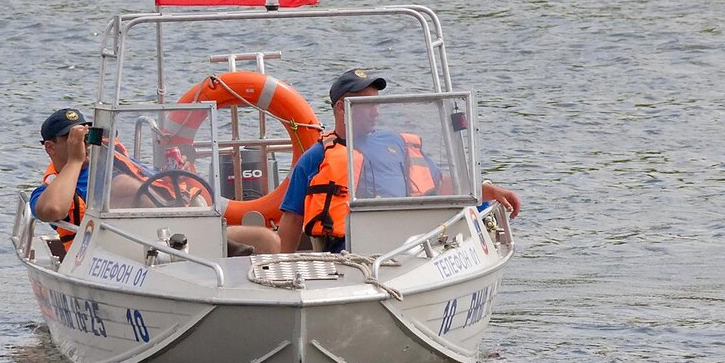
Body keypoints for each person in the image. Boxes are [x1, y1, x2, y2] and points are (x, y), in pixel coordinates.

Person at [278, 69, 522, 253]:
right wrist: (282, 265)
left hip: (412, 239)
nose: (376, 111)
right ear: (342, 108)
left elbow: (438, 185)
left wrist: (486, 190)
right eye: (366, 104)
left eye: (377, 103)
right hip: (352, 250)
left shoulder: (395, 143)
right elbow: (292, 218)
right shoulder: (317, 157)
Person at [30, 108, 280, 256]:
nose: (81, 142)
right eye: (71, 137)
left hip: (184, 235)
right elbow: (51, 210)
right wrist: (75, 161)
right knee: (121, 187)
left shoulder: (117, 163)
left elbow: (163, 184)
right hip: (126, 251)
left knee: (267, 240)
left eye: (85, 134)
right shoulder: (51, 189)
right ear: (51, 148)